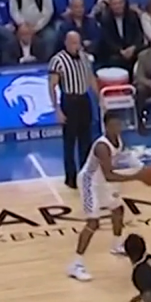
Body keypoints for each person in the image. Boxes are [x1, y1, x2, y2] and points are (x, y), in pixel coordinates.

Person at [67, 111, 145, 282]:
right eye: (113, 125)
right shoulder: (102, 146)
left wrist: (140, 166)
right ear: (106, 126)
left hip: (100, 182)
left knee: (118, 210)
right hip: (89, 183)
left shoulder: (118, 140)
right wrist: (136, 176)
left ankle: (116, 245)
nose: (116, 128)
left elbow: (122, 155)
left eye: (118, 124)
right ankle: (76, 264)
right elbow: (109, 175)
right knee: (93, 223)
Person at [48, 30, 97, 190]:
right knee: (70, 142)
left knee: (86, 140)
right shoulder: (58, 60)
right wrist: (57, 109)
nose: (76, 46)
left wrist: (99, 97)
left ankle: (86, 175)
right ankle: (71, 177)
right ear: (66, 43)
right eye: (73, 43)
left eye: (78, 42)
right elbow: (52, 86)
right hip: (69, 101)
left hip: (84, 99)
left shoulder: (85, 57)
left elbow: (91, 78)